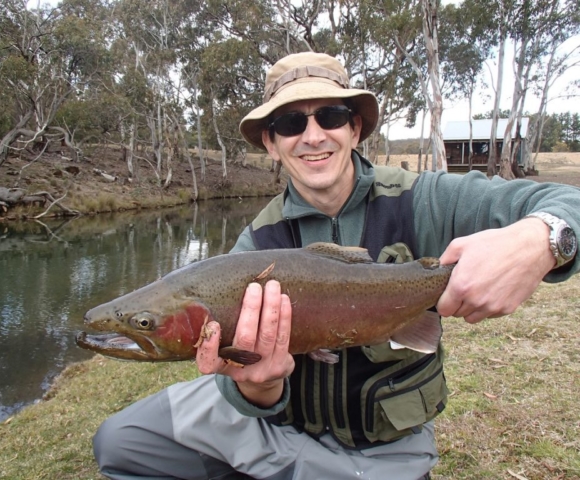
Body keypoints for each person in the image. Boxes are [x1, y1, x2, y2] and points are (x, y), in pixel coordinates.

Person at [91, 52, 580, 480]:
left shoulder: (426, 199)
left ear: (355, 128)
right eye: (289, 124)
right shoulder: (254, 244)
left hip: (382, 445)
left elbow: (564, 203)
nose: (311, 135)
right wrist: (261, 386)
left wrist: (543, 239)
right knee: (120, 442)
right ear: (271, 142)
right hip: (280, 428)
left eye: (330, 115)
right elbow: (235, 389)